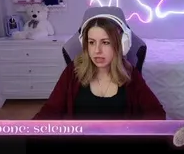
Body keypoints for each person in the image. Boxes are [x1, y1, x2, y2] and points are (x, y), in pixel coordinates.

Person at [35, 15, 166, 120]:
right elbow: (50, 110)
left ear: (121, 45)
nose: (97, 50)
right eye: (91, 42)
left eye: (105, 42)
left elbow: (156, 112)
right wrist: (27, 133)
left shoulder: (130, 74)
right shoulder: (73, 71)